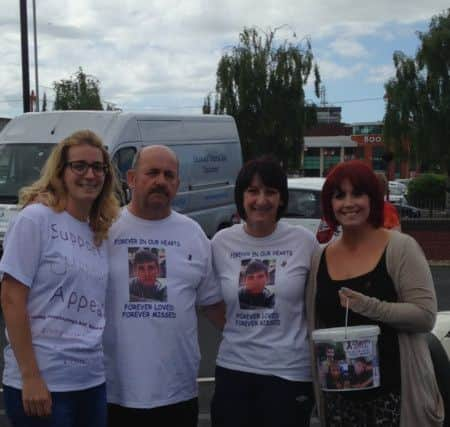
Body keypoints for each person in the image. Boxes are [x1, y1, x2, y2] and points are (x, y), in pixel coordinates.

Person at [306, 160, 444, 427]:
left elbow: (426, 316)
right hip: (339, 402)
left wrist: (369, 306)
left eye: (357, 194)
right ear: (329, 204)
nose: (349, 203)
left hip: (395, 399)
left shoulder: (401, 248)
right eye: (339, 196)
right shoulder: (320, 257)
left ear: (372, 198)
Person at [0, 130, 120, 427]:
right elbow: (11, 298)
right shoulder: (36, 219)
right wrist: (30, 376)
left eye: (97, 167)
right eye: (79, 166)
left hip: (89, 382)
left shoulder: (99, 231)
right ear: (61, 172)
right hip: (44, 385)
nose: (89, 174)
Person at [103, 145, 225, 427]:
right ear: (131, 178)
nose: (160, 181)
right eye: (152, 173)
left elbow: (213, 305)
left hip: (177, 392)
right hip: (115, 392)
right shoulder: (105, 229)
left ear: (178, 184)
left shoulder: (193, 234)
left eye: (169, 175)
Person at [210, 156, 319, 427]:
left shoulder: (303, 241)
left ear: (281, 198)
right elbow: (208, 300)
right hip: (234, 369)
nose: (261, 200)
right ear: (241, 197)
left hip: (289, 372)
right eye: (253, 191)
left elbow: (318, 299)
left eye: (270, 192)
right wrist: (237, 329)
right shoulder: (221, 243)